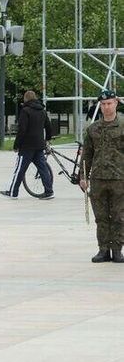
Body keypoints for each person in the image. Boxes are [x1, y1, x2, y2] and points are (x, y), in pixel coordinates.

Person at [78, 90, 124, 263]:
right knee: (101, 217)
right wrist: (83, 176)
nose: (106, 107)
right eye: (103, 104)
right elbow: (87, 155)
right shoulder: (93, 128)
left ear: (116, 103)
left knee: (119, 216)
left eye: (109, 103)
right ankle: (103, 249)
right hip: (98, 178)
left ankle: (117, 250)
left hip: (120, 178)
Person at [2, 91, 54, 199]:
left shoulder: (25, 111)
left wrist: (16, 145)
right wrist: (47, 139)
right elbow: (48, 127)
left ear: (26, 99)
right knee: (43, 168)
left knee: (20, 169)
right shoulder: (42, 111)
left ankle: (13, 192)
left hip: (27, 146)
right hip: (40, 145)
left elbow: (22, 130)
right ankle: (49, 192)